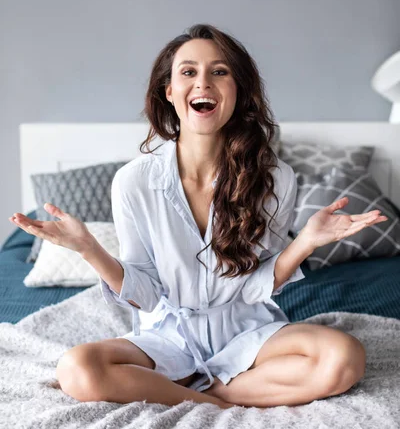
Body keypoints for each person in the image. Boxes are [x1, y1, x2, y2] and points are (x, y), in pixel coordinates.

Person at [9, 24, 387, 410]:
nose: (203, 82)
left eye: (219, 72)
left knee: (344, 357)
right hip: (167, 337)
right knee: (77, 368)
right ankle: (218, 396)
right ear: (169, 91)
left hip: (248, 330)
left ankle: (205, 395)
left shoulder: (275, 179)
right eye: (188, 72)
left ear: (237, 92)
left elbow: (257, 285)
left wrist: (305, 240)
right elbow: (145, 293)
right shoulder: (133, 181)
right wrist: (89, 248)